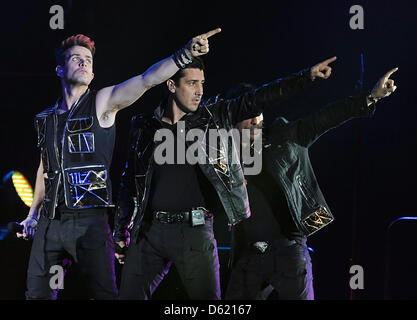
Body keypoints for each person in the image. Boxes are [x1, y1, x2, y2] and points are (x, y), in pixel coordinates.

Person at [113, 53, 339, 299]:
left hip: (195, 231)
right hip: (149, 232)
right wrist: (121, 231)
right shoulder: (144, 126)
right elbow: (129, 182)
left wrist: (306, 77)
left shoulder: (211, 117)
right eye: (192, 83)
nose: (199, 91)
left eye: (202, 83)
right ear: (171, 85)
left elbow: (259, 97)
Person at [17, 29, 221, 299]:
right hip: (50, 222)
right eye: (75, 58)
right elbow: (46, 168)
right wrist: (33, 214)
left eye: (88, 60)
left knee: (105, 294)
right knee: (36, 295)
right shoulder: (44, 118)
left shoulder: (102, 102)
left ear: (92, 74)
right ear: (59, 69)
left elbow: (147, 80)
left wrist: (184, 55)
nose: (83, 63)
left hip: (90, 221)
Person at [224, 67, 398, 300]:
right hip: (249, 253)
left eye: (259, 112)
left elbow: (325, 118)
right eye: (248, 113)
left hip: (288, 248)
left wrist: (371, 97)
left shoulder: (284, 135)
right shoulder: (223, 154)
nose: (256, 119)